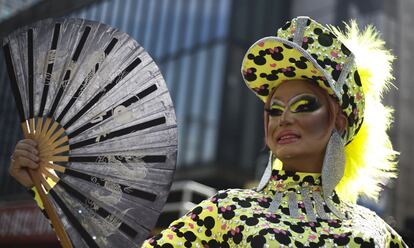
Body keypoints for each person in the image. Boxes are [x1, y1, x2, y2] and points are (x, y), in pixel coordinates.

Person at [9, 16, 407, 247]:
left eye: (304, 105)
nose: (283, 118)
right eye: (273, 109)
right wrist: (48, 189)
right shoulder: (226, 213)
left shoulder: (377, 235)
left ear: (339, 118)